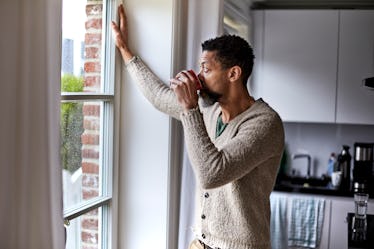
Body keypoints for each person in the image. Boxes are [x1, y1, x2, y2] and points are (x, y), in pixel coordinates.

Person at [111, 4, 285, 249]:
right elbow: (159, 96)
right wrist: (125, 50)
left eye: (206, 68)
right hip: (201, 244)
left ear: (233, 73)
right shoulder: (209, 108)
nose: (199, 76)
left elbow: (212, 174)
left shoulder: (265, 123)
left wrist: (190, 109)